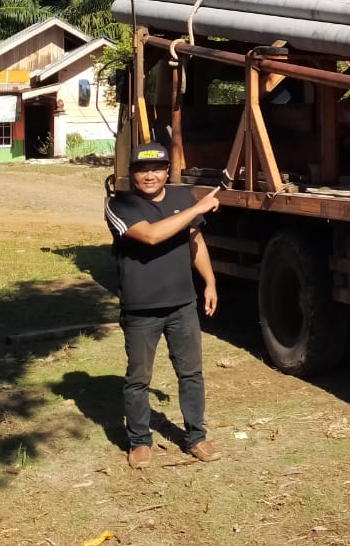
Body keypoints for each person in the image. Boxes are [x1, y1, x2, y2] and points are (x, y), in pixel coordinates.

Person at [104, 142, 222, 468]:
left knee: (191, 373)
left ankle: (196, 437)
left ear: (167, 171)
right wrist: (197, 209)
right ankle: (140, 441)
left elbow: (195, 241)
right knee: (139, 378)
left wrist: (210, 282)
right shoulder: (120, 204)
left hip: (183, 303)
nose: (150, 175)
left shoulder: (182, 198)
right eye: (143, 170)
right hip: (141, 309)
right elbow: (152, 235)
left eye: (157, 169)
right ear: (133, 174)